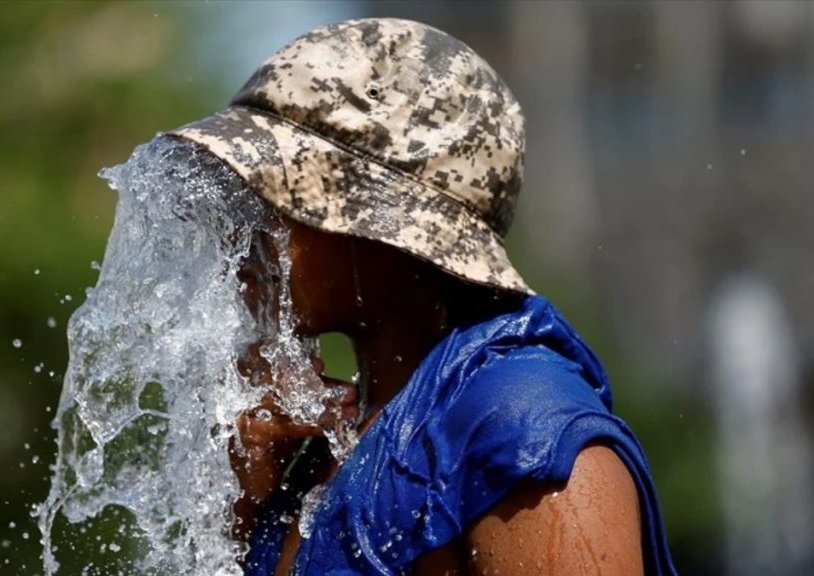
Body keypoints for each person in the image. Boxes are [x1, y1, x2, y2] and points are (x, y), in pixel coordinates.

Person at [167, 18, 679, 576]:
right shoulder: (329, 444)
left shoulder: (522, 434)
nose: (244, 231)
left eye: (277, 197)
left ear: (388, 224)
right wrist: (243, 508)